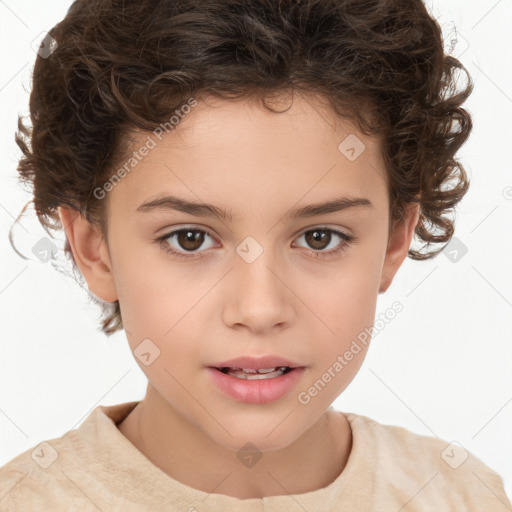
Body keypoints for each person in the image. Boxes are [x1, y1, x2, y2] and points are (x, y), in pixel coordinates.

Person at [1, 0, 510, 510]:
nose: (260, 309)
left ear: (395, 240)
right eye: (190, 239)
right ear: (96, 250)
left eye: (320, 238)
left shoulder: (462, 496)